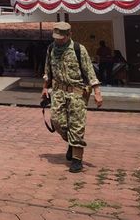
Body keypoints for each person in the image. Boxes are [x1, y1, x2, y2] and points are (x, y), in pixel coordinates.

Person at [42, 22, 103, 173]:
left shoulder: (78, 49)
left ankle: (77, 159)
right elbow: (47, 70)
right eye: (56, 37)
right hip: (58, 92)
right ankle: (71, 142)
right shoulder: (51, 49)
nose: (58, 40)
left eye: (61, 38)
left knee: (76, 125)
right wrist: (44, 88)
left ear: (69, 35)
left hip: (77, 92)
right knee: (56, 121)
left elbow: (89, 71)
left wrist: (97, 92)